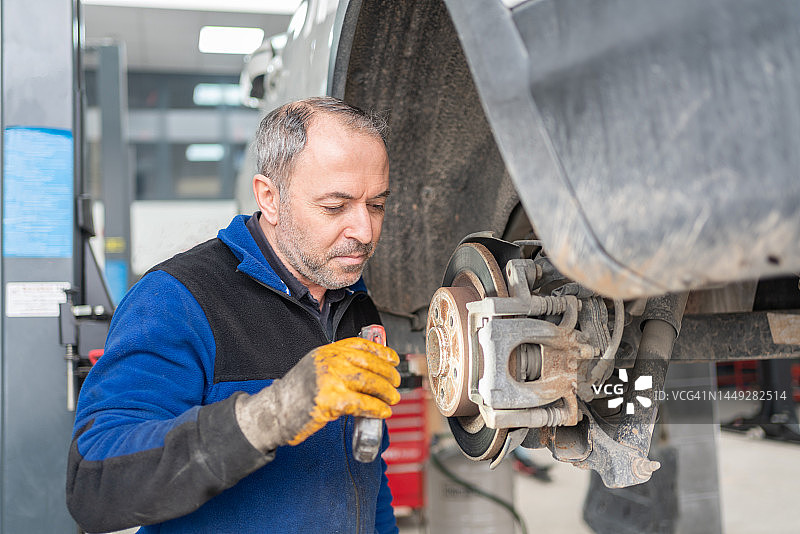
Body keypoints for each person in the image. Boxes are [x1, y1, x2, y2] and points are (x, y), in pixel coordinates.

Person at [66, 97, 401, 534]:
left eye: (376, 205)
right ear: (270, 198)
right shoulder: (178, 299)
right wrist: (272, 414)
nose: (365, 231)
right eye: (335, 206)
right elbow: (94, 486)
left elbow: (364, 472)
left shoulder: (351, 297)